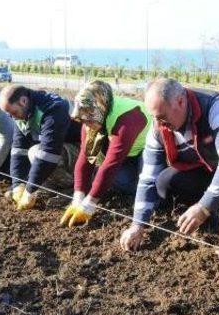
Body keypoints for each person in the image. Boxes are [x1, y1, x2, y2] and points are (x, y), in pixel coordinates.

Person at [120, 78, 219, 251]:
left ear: (180, 102)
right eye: (155, 118)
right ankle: (209, 218)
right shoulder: (158, 126)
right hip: (202, 167)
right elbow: (148, 177)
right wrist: (138, 224)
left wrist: (203, 207)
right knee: (165, 181)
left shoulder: (217, 107)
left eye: (162, 117)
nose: (159, 123)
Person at [60, 80, 151, 227]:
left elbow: (111, 164)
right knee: (110, 179)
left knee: (142, 186)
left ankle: (155, 201)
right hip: (127, 156)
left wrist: (89, 205)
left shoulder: (128, 118)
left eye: (88, 120)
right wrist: (78, 198)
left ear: (100, 109)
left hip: (147, 154)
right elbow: (86, 160)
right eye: (83, 120)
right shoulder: (92, 121)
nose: (86, 124)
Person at [0, 85, 81, 210]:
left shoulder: (53, 108)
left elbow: (49, 154)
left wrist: (29, 190)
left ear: (23, 101)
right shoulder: (23, 114)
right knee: (35, 153)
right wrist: (17, 184)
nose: (12, 117)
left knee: (36, 152)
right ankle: (49, 187)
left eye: (13, 112)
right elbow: (18, 150)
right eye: (9, 114)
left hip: (84, 151)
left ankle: (73, 188)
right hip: (63, 149)